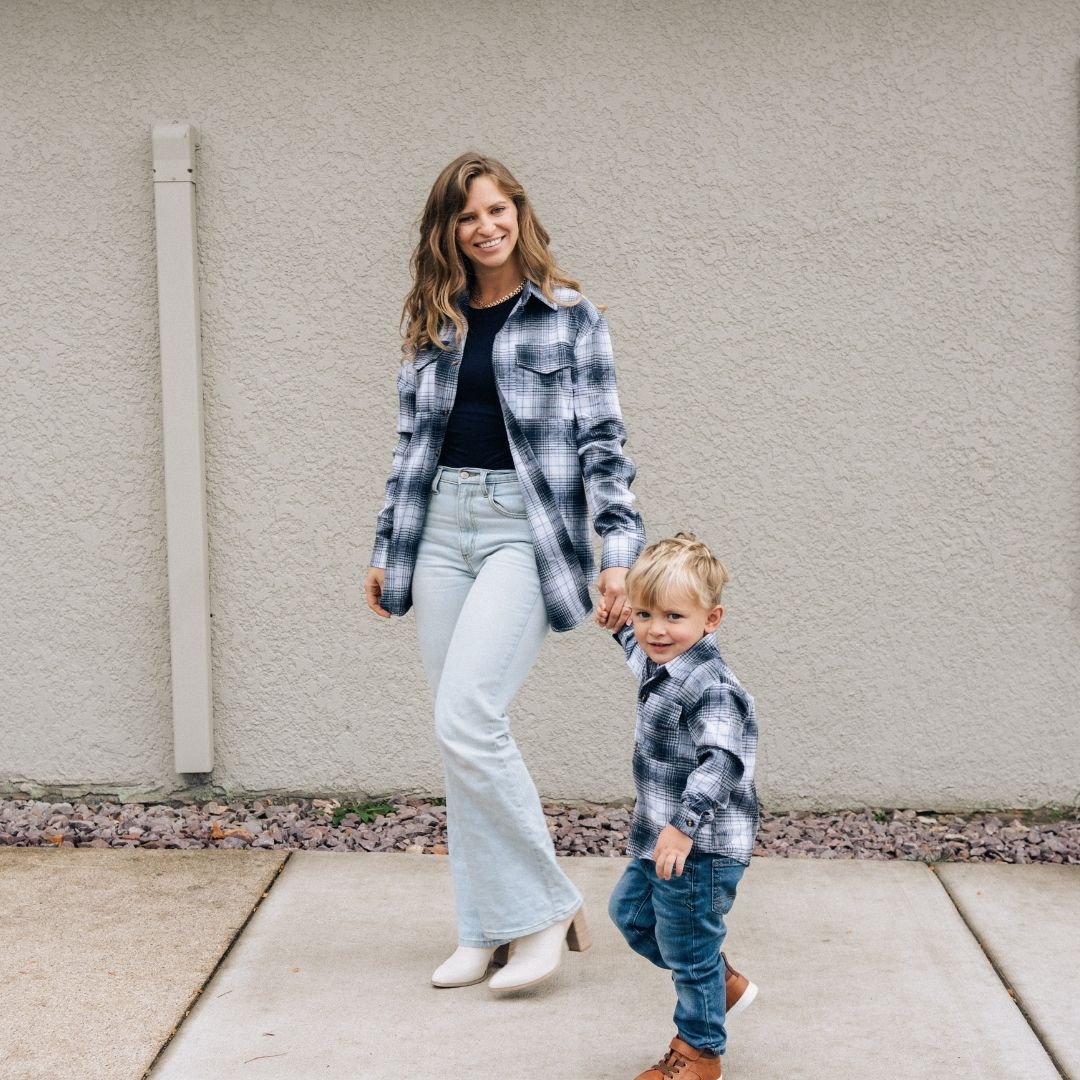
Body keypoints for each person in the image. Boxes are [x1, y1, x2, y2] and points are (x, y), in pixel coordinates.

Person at [363, 152, 646, 993]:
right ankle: (485, 926)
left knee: (470, 716)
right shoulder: (435, 322)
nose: (485, 227)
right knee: (458, 736)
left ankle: (544, 909)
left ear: (518, 213)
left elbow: (604, 444)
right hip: (438, 528)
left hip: (523, 531)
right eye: (467, 216)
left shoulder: (570, 317)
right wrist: (387, 546)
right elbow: (410, 446)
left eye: (497, 209)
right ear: (447, 232)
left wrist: (618, 553)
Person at [599, 534, 759, 1080]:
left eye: (673, 616)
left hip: (698, 845)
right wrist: (616, 618)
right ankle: (716, 980)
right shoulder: (661, 660)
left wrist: (684, 827)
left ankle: (699, 1053)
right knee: (631, 915)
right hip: (658, 837)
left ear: (711, 620)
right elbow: (634, 640)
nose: (655, 630)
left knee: (689, 951)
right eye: (645, 614)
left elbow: (722, 762)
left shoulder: (712, 688)